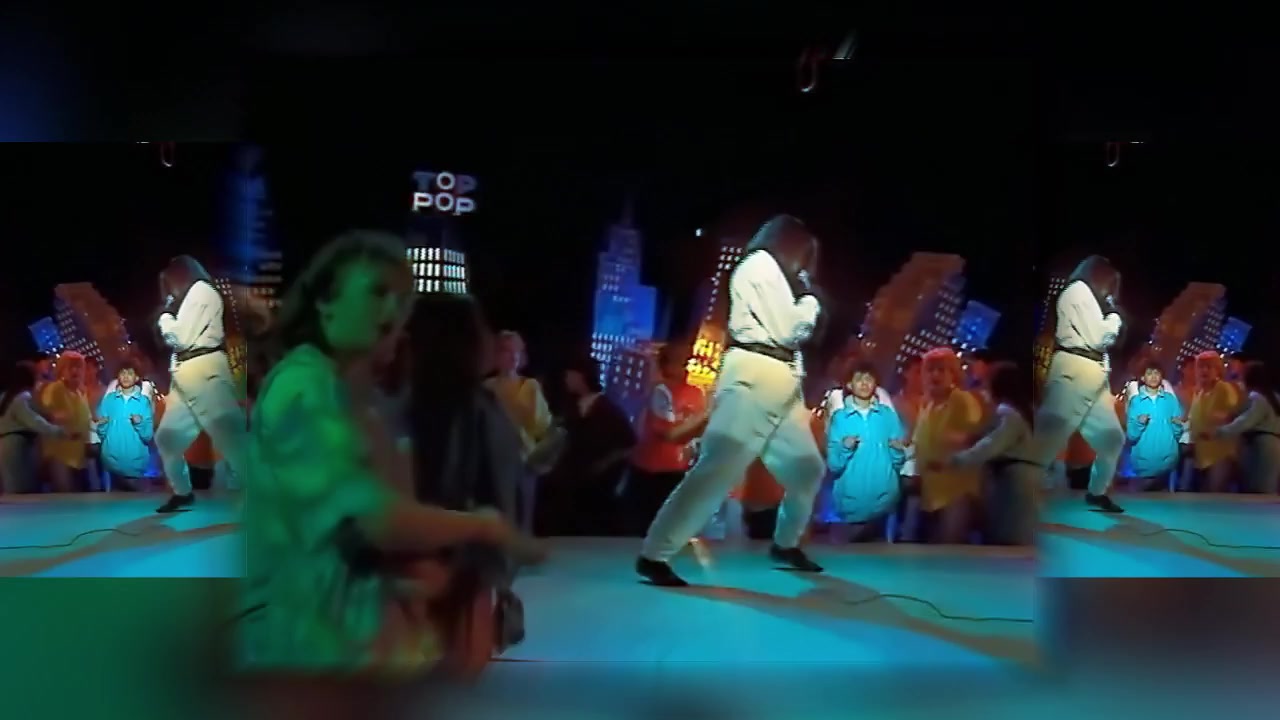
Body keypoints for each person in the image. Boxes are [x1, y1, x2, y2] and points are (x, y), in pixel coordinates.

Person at [241, 229, 544, 675]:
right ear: (325, 301)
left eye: (400, 301)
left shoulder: (358, 396)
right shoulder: (307, 388)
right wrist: (479, 530)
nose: (392, 312)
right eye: (378, 292)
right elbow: (374, 518)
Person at [637, 215, 827, 586]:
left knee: (806, 468)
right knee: (718, 467)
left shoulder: (773, 274)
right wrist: (810, 302)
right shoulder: (761, 265)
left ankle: (785, 544)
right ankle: (654, 553)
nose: (804, 263)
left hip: (780, 381)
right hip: (756, 375)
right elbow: (788, 330)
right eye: (803, 253)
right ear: (788, 242)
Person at [1028, 255, 1127, 513]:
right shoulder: (1079, 291)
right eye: (1109, 282)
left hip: (1092, 373)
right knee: (1048, 439)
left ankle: (1097, 492)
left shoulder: (1086, 296)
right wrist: (1114, 318)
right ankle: (1019, 497)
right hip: (1076, 371)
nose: (1109, 290)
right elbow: (1098, 338)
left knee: (1112, 437)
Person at [152, 255, 250, 513]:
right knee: (167, 438)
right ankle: (182, 492)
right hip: (186, 373)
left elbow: (181, 338)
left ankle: (265, 497)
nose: (170, 290)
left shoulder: (200, 290)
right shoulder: (192, 296)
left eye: (170, 282)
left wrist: (165, 317)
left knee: (231, 439)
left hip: (204, 371)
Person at [934, 361, 1038, 546]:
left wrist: (953, 461)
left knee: (1008, 539)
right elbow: (985, 436)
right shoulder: (1019, 413)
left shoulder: (1007, 413)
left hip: (1012, 484)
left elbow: (989, 445)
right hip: (1013, 480)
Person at [540, 355, 637, 536]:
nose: (566, 379)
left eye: (570, 374)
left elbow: (629, 443)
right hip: (570, 483)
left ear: (581, 376)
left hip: (593, 490)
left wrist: (605, 465)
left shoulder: (608, 410)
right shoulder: (572, 407)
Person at [625, 343, 710, 536]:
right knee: (639, 528)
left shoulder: (696, 392)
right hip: (649, 472)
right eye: (681, 362)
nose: (687, 367)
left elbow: (698, 432)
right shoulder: (660, 392)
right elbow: (670, 434)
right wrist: (703, 417)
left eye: (687, 361)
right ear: (667, 365)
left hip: (677, 471)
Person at [485, 330, 560, 532]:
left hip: (523, 460)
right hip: (492, 460)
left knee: (522, 515)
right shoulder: (487, 387)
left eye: (516, 351)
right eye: (506, 351)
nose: (512, 357)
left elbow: (543, 426)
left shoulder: (530, 386)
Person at [912, 347, 988, 544]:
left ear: (953, 374)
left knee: (950, 549)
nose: (935, 375)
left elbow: (977, 439)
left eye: (941, 370)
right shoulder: (927, 405)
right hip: (930, 494)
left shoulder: (962, 400)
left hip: (957, 493)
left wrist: (960, 440)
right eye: (930, 370)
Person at [824, 361, 906, 541]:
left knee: (883, 556)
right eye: (859, 379)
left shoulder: (887, 416)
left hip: (884, 506)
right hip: (851, 506)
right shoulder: (840, 418)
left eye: (869, 379)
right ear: (849, 384)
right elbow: (834, 465)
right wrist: (845, 448)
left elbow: (898, 461)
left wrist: (898, 451)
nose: (864, 383)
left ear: (876, 384)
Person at [1213, 361, 1280, 494]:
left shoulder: (1257, 397)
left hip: (1260, 447)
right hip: (1275, 445)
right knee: (1268, 489)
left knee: (1257, 490)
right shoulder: (1275, 397)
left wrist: (1219, 432)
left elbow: (1245, 421)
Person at [0, 362, 66, 494]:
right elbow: (34, 421)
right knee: (22, 489)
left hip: (4, 444)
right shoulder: (23, 397)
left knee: (12, 488)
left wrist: (50, 416)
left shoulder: (4, 397)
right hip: (18, 447)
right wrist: (60, 431)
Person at [95, 359, 156, 492]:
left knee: (136, 503)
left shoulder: (143, 402)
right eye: (122, 373)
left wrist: (139, 423)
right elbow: (101, 433)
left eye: (130, 373)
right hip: (111, 467)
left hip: (135, 466)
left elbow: (148, 436)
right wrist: (102, 425)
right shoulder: (109, 400)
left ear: (137, 377)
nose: (126, 376)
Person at [1125, 360, 1184, 491]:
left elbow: (1178, 432)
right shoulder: (1136, 402)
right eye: (1149, 373)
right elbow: (1131, 435)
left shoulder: (1170, 400)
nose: (1153, 377)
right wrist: (1139, 423)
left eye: (1157, 373)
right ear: (1142, 377)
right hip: (1144, 466)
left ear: (1162, 377)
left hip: (1168, 466)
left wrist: (1177, 425)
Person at [40, 351, 93, 492]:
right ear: (62, 370)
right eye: (71, 367)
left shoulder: (81, 393)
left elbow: (86, 421)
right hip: (59, 456)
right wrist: (55, 417)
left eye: (79, 367)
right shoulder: (55, 389)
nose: (75, 371)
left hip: (79, 457)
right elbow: (45, 415)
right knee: (65, 496)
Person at [1189, 350, 1241, 492]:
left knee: (1215, 495)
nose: (1204, 370)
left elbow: (1235, 414)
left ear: (1218, 370)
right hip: (1201, 456)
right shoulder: (1199, 393)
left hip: (1221, 455)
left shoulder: (1224, 388)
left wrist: (1223, 418)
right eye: (1201, 367)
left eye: (1209, 367)